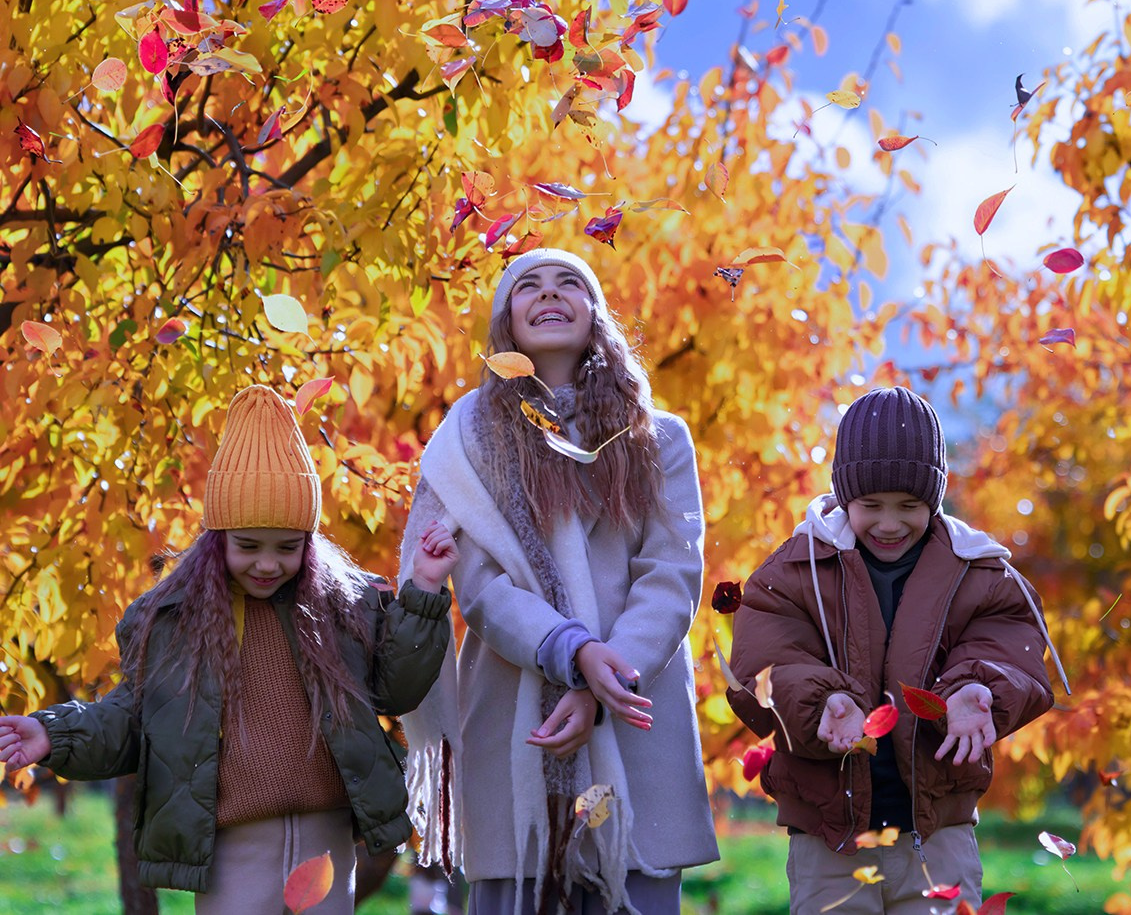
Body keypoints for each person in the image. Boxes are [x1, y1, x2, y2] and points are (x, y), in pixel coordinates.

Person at [0, 384, 457, 914]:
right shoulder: (175, 620)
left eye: (287, 548)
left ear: (308, 546)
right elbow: (133, 719)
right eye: (248, 546)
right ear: (217, 537)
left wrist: (422, 591)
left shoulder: (344, 606)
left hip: (325, 838)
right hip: (232, 850)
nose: (268, 564)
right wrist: (54, 734)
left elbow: (392, 690)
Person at [398, 248, 718, 915]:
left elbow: (671, 575)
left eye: (570, 281)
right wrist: (573, 654)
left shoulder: (659, 440)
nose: (549, 293)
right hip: (515, 712)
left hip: (637, 712)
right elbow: (479, 587)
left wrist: (608, 677)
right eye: (528, 286)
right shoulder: (471, 443)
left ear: (595, 312)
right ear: (504, 323)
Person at [727, 386, 1066, 914]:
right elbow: (762, 665)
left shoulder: (977, 572)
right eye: (871, 506)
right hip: (828, 835)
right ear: (844, 497)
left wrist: (975, 687)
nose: (889, 524)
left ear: (934, 498)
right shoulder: (795, 574)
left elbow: (1011, 645)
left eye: (909, 506)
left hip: (936, 833)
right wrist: (820, 704)